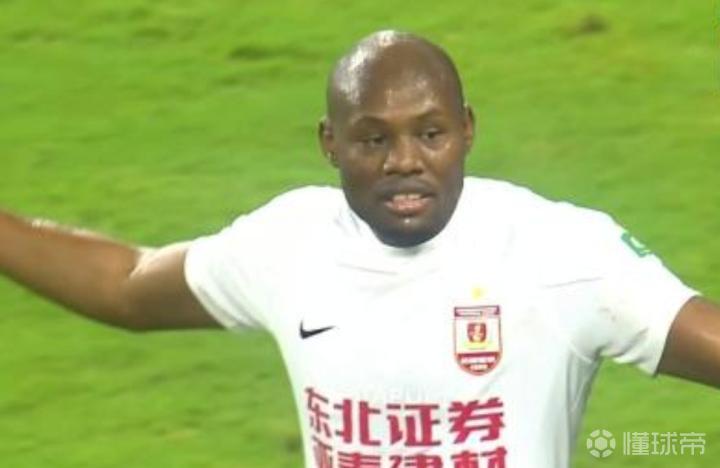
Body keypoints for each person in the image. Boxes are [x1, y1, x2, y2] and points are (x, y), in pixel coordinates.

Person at [1, 30, 718, 468]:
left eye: (430, 133)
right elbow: (126, 284)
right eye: (373, 138)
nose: (404, 161)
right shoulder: (289, 245)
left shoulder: (559, 255)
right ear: (330, 143)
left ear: (467, 130)